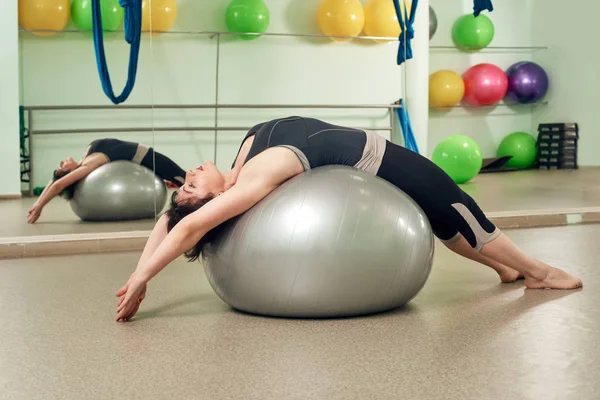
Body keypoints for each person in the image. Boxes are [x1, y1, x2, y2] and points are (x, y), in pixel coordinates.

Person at [115, 116, 583, 322]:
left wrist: (139, 270)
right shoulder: (252, 182)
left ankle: (504, 267)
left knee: (443, 218)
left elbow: (171, 219)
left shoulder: (238, 166)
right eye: (195, 187)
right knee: (457, 209)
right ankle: (539, 272)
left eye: (189, 182)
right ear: (215, 200)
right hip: (378, 159)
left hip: (369, 155)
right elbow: (191, 226)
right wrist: (144, 280)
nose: (192, 174)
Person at [27, 138, 186, 224]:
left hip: (144, 155)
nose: (62, 162)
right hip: (147, 158)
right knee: (182, 178)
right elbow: (58, 185)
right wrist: (39, 206)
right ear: (70, 173)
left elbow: (54, 181)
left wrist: (37, 202)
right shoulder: (88, 166)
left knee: (183, 178)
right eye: (62, 168)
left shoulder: (85, 159)